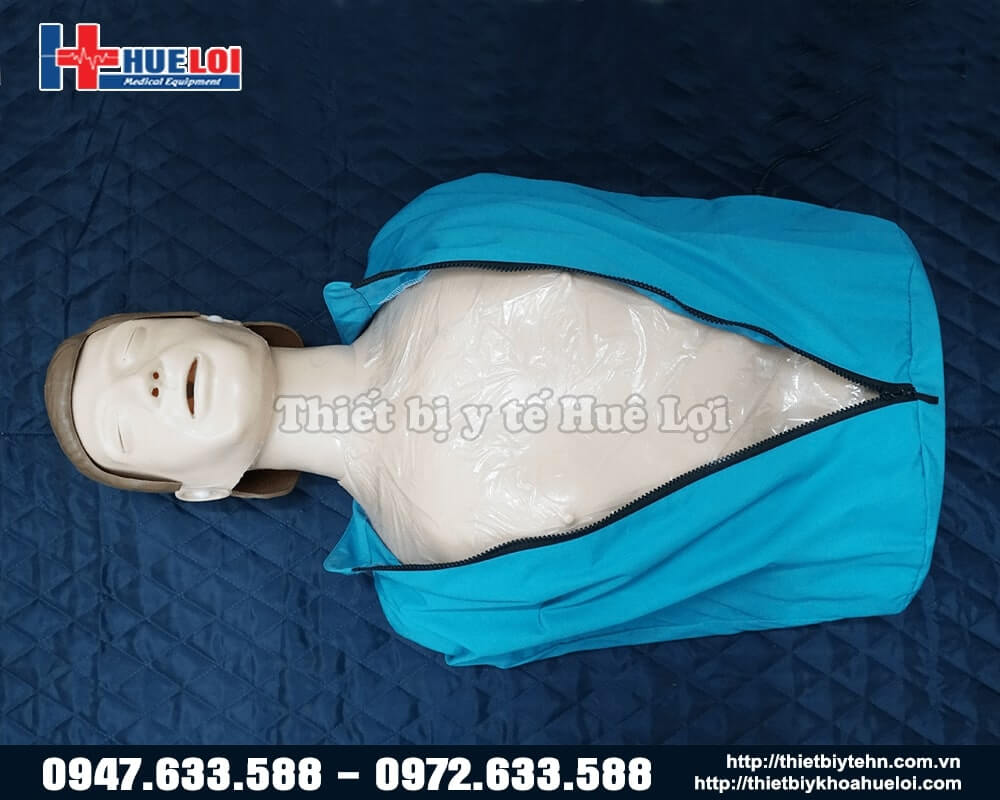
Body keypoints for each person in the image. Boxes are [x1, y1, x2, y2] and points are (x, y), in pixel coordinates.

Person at [45, 174, 944, 667]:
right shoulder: (448, 605)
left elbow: (676, 230)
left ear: (210, 319)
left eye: (137, 345)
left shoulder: (442, 231)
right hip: (888, 523)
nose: (146, 382)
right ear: (205, 488)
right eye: (128, 429)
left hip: (873, 284)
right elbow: (687, 602)